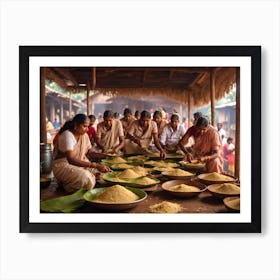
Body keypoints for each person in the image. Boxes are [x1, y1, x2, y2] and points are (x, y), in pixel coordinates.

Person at [52, 114, 110, 193]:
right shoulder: (67, 135)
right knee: (87, 178)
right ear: (76, 125)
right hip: (63, 165)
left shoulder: (84, 135)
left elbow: (89, 153)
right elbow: (71, 160)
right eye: (84, 126)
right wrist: (95, 165)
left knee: (103, 174)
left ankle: (70, 182)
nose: (87, 129)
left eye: (88, 126)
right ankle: (66, 185)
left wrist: (106, 156)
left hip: (79, 162)